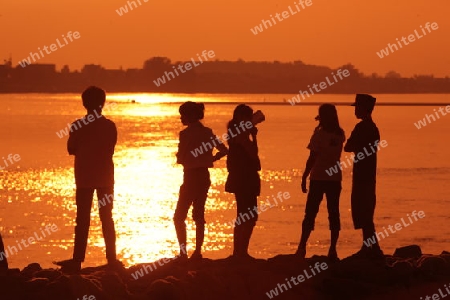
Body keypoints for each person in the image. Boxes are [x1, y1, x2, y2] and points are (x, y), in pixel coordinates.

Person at [55, 86, 119, 272]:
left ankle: (77, 259)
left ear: (84, 103)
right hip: (106, 178)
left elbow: (71, 149)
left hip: (84, 179)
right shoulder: (109, 126)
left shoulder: (77, 126)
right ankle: (112, 259)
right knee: (107, 217)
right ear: (103, 103)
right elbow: (110, 149)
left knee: (82, 219)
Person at [174, 101, 228, 260]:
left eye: (183, 115)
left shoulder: (184, 135)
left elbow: (181, 158)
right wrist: (211, 158)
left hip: (190, 176)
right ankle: (197, 251)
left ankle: (183, 253)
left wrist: (182, 157)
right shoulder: (207, 132)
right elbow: (224, 150)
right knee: (199, 215)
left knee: (179, 217)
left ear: (190, 116)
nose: (181, 118)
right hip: (204, 176)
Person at [296, 104, 346, 261]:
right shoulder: (340, 134)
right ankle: (332, 249)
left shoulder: (319, 134)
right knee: (333, 213)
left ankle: (302, 247)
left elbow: (312, 157)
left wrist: (304, 176)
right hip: (334, 177)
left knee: (310, 212)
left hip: (318, 177)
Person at [344, 94, 383, 259]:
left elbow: (348, 147)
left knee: (364, 212)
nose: (355, 111)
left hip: (362, 176)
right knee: (366, 213)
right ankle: (371, 247)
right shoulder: (373, 128)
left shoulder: (362, 127)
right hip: (368, 175)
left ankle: (371, 248)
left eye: (357, 107)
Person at [225, 104, 261, 260]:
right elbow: (253, 153)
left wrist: (253, 135)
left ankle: (240, 251)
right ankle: (240, 252)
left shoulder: (237, 133)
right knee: (247, 214)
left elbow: (253, 152)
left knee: (246, 214)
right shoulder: (238, 134)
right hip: (244, 177)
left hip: (244, 176)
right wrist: (252, 135)